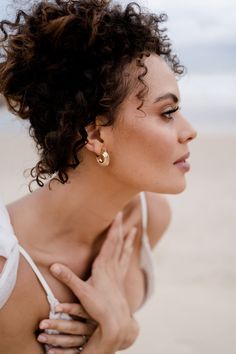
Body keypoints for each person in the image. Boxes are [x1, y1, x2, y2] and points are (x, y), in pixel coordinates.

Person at [0, 0, 197, 353]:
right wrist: (110, 338)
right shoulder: (6, 275)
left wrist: (122, 324)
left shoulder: (150, 217)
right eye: (167, 112)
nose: (190, 131)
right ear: (95, 135)